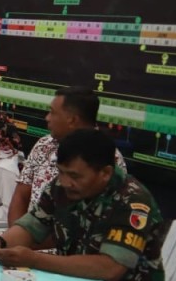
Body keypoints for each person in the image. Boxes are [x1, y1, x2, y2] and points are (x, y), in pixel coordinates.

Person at [0, 129, 170, 281]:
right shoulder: (60, 187)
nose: (65, 182)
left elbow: (110, 267)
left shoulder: (132, 201)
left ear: (105, 173)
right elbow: (31, 227)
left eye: (74, 176)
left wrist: (33, 259)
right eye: (61, 173)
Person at [7, 86, 123, 225]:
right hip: (28, 234)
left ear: (72, 120)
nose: (47, 118)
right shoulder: (44, 145)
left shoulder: (108, 157)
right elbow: (21, 195)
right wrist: (14, 237)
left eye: (52, 112)